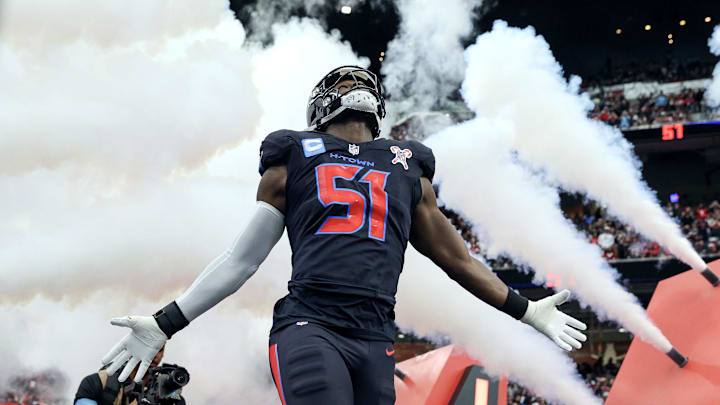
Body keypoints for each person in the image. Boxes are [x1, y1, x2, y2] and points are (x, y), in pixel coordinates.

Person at [101, 66, 587, 404]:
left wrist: (524, 309)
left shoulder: (404, 164)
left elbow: (456, 260)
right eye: (346, 81)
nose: (353, 85)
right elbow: (241, 260)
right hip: (311, 326)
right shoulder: (295, 153)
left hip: (376, 335)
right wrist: (166, 321)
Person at [77, 345, 182, 405]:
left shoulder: (165, 393)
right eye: (149, 348)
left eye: (160, 350)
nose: (155, 356)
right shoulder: (97, 382)